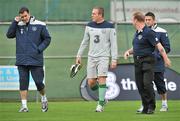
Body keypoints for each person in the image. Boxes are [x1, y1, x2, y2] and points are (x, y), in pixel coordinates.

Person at [124, 12, 171, 114]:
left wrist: (166, 59)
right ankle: (145, 107)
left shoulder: (148, 32)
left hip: (147, 61)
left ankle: (151, 107)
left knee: (147, 84)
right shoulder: (137, 32)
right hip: (137, 61)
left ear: (136, 20)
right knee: (140, 85)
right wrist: (128, 51)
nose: (132, 22)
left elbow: (160, 47)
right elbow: (136, 47)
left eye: (132, 20)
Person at [6, 7, 51, 112]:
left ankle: (43, 98)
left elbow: (47, 39)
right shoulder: (18, 25)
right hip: (21, 60)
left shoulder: (40, 24)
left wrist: (39, 49)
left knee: (39, 82)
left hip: (36, 60)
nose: (24, 18)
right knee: (23, 82)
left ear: (29, 14)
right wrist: (14, 22)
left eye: (25, 16)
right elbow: (9, 35)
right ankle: (24, 106)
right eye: (22, 17)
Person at [76, 7, 118, 112]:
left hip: (103, 57)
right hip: (91, 57)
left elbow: (114, 44)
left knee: (102, 78)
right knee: (91, 82)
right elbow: (84, 41)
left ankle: (100, 105)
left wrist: (114, 59)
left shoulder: (110, 26)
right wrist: (79, 55)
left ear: (100, 15)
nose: (92, 15)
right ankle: (103, 98)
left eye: (94, 14)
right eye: (92, 13)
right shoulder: (89, 26)